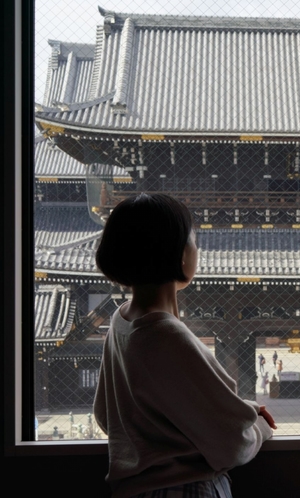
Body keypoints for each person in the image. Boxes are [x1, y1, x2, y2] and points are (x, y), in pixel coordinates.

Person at [92, 193, 275, 498]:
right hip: (186, 490)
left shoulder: (121, 320)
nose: (197, 249)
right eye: (194, 239)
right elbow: (232, 446)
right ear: (179, 254)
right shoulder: (166, 335)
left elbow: (105, 415)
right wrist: (259, 428)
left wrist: (238, 411)